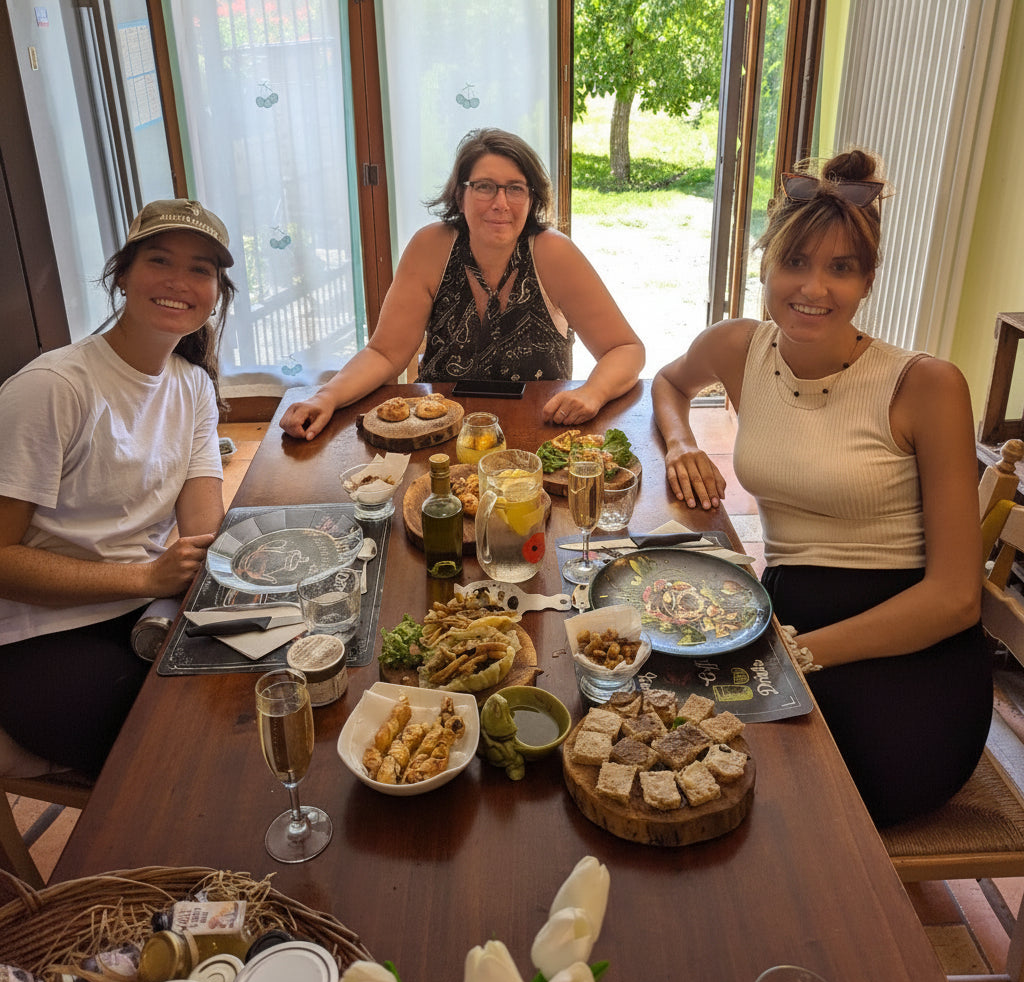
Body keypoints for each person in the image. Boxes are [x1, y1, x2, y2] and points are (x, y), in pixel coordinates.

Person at [652, 150, 991, 826]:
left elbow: (955, 599)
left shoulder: (925, 385)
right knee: (658, 728)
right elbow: (667, 384)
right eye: (796, 263)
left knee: (765, 799)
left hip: (908, 652)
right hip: (788, 607)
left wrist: (795, 653)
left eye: (841, 269)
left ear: (868, 281)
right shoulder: (737, 347)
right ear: (765, 266)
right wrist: (683, 443)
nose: (814, 288)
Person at [0, 198, 237, 776]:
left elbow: (203, 533)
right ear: (123, 275)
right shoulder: (55, 388)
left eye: (201, 269)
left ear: (216, 291)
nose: (180, 282)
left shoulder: (193, 388)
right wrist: (147, 577)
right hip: (41, 633)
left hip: (146, 608)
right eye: (160, 261)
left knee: (249, 695)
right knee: (178, 747)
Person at [279, 128, 645, 439]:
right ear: (460, 194)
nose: (501, 203)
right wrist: (325, 397)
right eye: (485, 187)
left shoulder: (553, 253)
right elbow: (385, 354)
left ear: (531, 198)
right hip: (437, 431)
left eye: (516, 189)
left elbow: (626, 349)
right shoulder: (430, 247)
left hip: (538, 433)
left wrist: (593, 393)